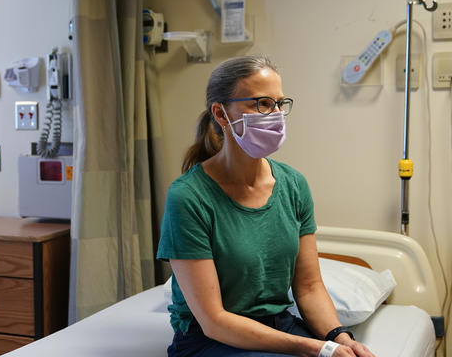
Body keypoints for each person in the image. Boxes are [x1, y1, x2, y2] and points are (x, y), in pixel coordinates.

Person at [156, 56, 375, 357]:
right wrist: (314, 348)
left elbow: (309, 287)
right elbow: (213, 321)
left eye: (279, 103)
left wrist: (339, 337)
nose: (275, 114)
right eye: (261, 104)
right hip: (212, 340)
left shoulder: (293, 186)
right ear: (221, 114)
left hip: (278, 326)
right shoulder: (189, 197)